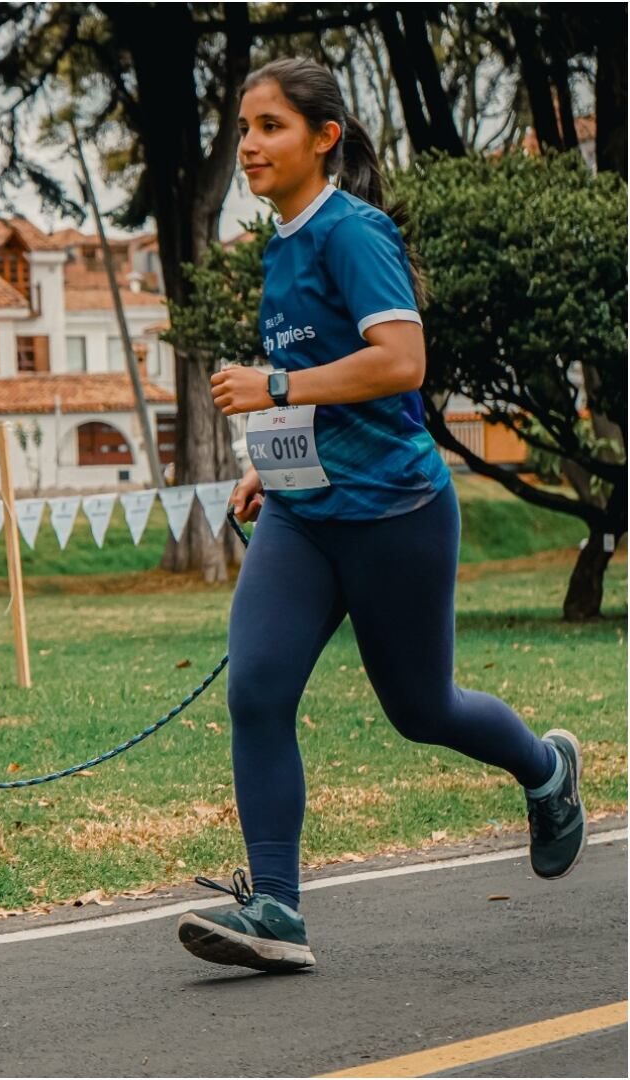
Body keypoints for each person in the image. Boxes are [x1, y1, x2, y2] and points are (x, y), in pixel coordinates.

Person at [179, 59, 585, 973]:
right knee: (258, 687)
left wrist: (273, 383)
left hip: (396, 511)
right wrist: (270, 463)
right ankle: (277, 908)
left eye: (271, 126)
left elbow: (401, 362)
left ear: (324, 139)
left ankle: (546, 771)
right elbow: (326, 381)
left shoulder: (354, 233)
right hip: (303, 513)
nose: (249, 144)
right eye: (244, 126)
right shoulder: (280, 245)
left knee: (421, 708)